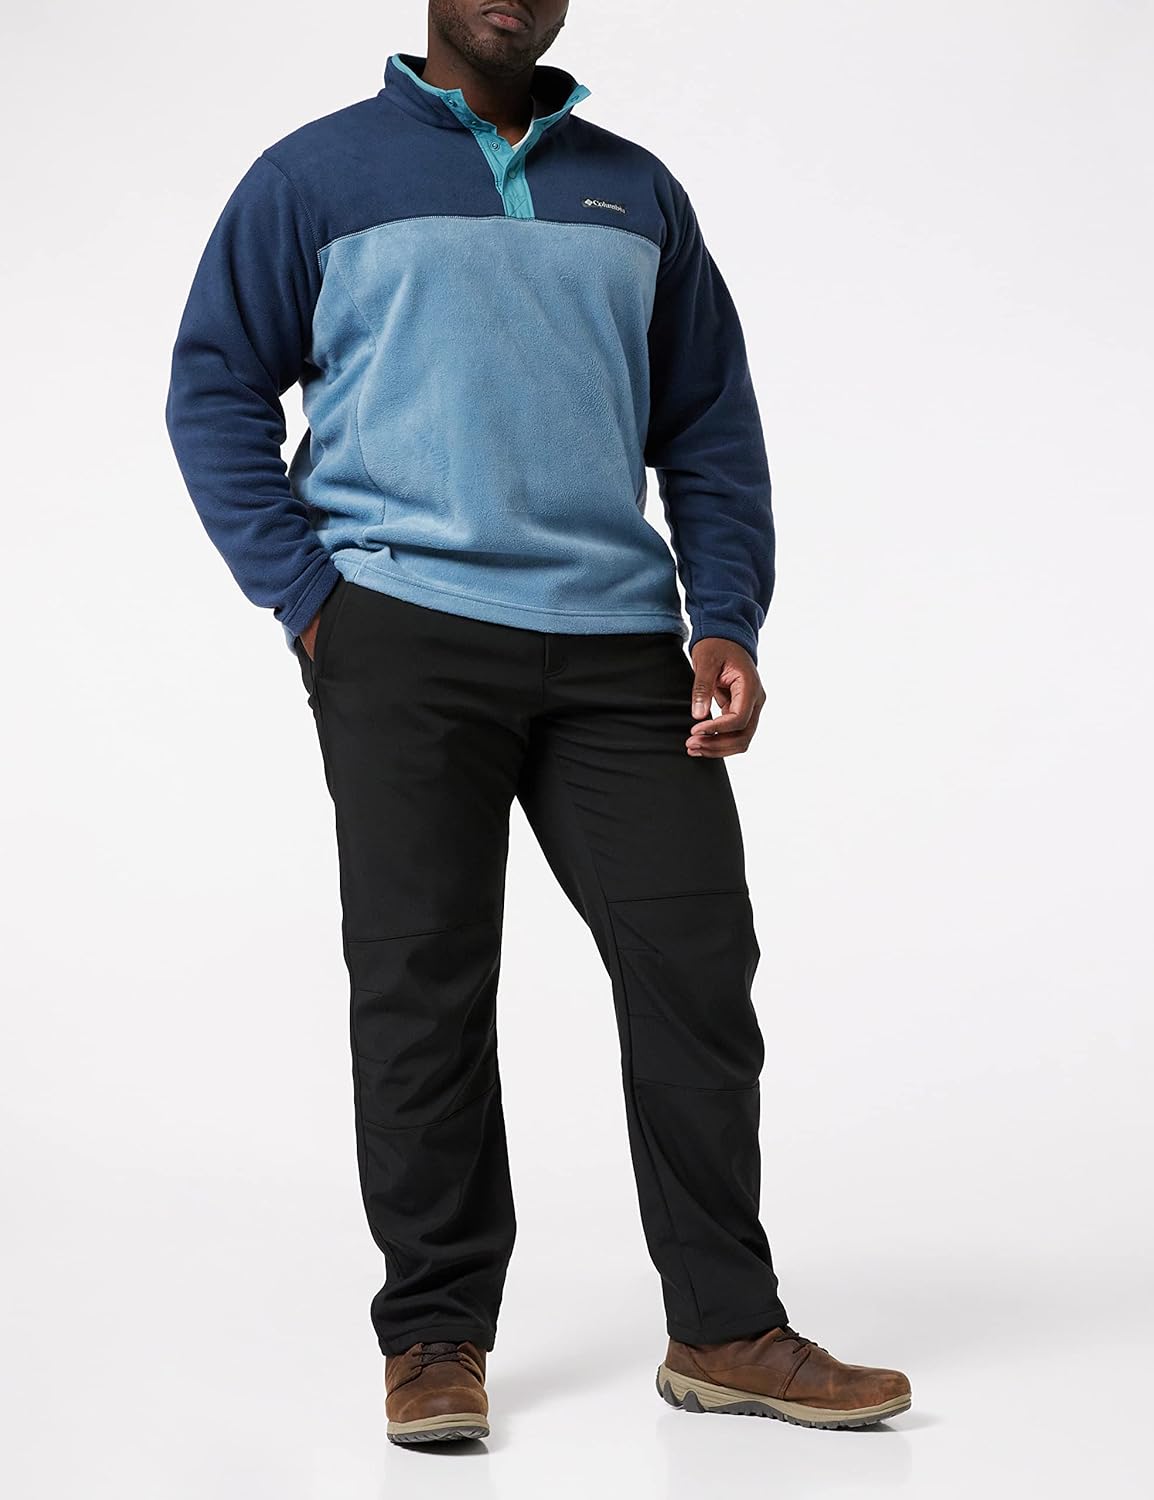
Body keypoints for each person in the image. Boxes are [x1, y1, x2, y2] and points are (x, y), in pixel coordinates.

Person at [164, 0, 911, 1446]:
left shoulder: (635, 190)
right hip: (402, 630)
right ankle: (434, 1335)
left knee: (695, 968)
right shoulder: (314, 175)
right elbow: (212, 386)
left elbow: (706, 419)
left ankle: (723, 1326)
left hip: (617, 644)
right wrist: (310, 598)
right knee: (423, 984)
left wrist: (725, 614)